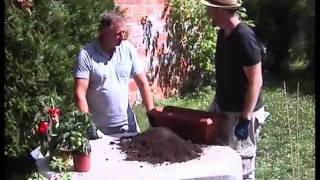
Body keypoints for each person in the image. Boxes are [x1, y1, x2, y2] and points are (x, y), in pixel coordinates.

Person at [200, 0, 270, 179]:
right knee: (220, 161)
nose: (207, 12)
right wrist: (216, 104)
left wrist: (245, 119)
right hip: (224, 108)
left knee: (242, 166)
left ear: (219, 10)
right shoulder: (223, 35)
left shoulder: (244, 37)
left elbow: (256, 81)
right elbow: (225, 75)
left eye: (209, 8)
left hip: (242, 113)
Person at [73, 11, 155, 135]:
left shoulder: (128, 49)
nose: (122, 37)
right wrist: (88, 126)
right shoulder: (86, 55)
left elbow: (143, 83)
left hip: (128, 124)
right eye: (118, 34)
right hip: (100, 129)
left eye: (124, 32)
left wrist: (152, 114)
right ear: (104, 33)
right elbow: (80, 94)